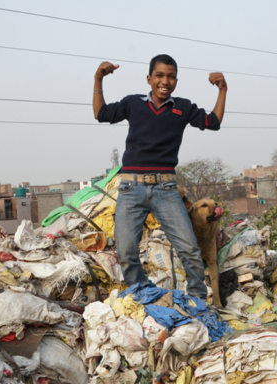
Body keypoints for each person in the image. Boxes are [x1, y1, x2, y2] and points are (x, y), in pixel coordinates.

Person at [92, 54, 228, 300]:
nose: (165, 81)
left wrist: (223, 89)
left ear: (176, 80)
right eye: (159, 76)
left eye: (171, 76)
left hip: (166, 189)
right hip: (131, 188)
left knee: (189, 248)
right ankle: (143, 295)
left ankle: (197, 301)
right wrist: (98, 78)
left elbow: (214, 122)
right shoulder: (133, 103)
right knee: (126, 251)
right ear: (149, 79)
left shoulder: (182, 107)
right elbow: (101, 113)